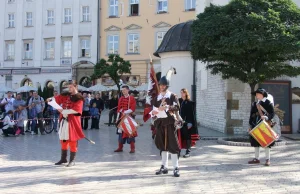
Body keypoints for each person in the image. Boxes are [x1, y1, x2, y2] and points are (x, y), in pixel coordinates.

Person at [48, 80, 85, 167]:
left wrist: (64, 111)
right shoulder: (66, 95)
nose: (69, 88)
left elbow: (77, 110)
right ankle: (63, 158)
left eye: (71, 87)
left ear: (76, 87)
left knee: (72, 140)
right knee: (63, 140)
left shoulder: (79, 98)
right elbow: (57, 98)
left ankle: (72, 160)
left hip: (72, 122)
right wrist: (50, 100)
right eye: (69, 87)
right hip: (64, 121)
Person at [151, 75, 181, 177]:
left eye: (164, 85)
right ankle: (164, 166)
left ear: (167, 86)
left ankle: (176, 168)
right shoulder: (157, 98)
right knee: (162, 146)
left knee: (172, 145)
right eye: (160, 85)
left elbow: (177, 107)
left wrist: (167, 107)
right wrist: (154, 113)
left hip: (169, 123)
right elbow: (154, 109)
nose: (162, 86)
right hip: (160, 123)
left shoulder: (172, 96)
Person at [248, 88, 275, 166]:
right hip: (255, 124)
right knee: (255, 142)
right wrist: (250, 124)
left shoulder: (268, 103)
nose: (257, 95)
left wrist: (267, 117)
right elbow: (251, 114)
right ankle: (256, 158)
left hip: (265, 124)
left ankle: (267, 159)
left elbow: (272, 113)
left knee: (267, 141)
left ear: (262, 95)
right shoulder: (255, 104)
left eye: (258, 94)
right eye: (256, 94)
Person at [114, 85, 137, 153]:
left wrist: (125, 112)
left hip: (128, 117)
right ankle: (120, 147)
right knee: (120, 133)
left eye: (124, 90)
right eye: (122, 90)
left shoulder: (131, 98)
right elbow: (118, 109)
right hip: (121, 117)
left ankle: (132, 148)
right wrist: (117, 118)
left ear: (128, 90)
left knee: (130, 132)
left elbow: (133, 108)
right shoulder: (120, 98)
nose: (123, 91)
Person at [178, 88, 198, 158]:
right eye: (181, 93)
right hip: (180, 122)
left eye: (183, 93)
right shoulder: (180, 101)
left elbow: (191, 114)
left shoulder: (189, 102)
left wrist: (190, 123)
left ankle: (188, 152)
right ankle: (178, 151)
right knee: (180, 137)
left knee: (187, 137)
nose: (182, 94)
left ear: (186, 93)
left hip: (187, 123)